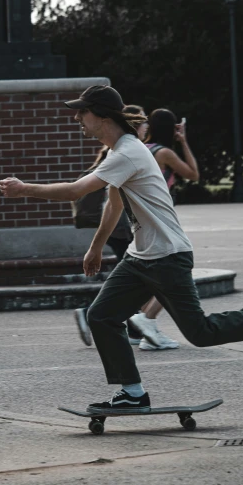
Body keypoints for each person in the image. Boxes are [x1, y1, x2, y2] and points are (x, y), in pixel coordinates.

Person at [0, 84, 243, 414]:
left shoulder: (128, 153)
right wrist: (96, 246)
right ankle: (132, 392)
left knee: (201, 332)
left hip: (168, 257)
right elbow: (114, 205)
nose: (77, 117)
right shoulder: (122, 153)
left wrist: (24, 189)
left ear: (103, 116)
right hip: (140, 257)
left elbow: (76, 191)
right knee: (102, 316)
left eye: (83, 111)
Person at [73, 104, 145, 348]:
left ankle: (133, 326)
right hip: (122, 227)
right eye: (143, 123)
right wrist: (24, 189)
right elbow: (104, 200)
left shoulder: (119, 151)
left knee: (134, 277)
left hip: (123, 227)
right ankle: (98, 316)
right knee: (135, 278)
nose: (147, 127)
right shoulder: (124, 153)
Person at [130, 108, 200, 351]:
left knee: (154, 275)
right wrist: (184, 141)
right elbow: (193, 174)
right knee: (175, 273)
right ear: (171, 129)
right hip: (162, 220)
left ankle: (148, 327)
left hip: (140, 219)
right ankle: (147, 320)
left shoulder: (142, 149)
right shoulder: (164, 152)